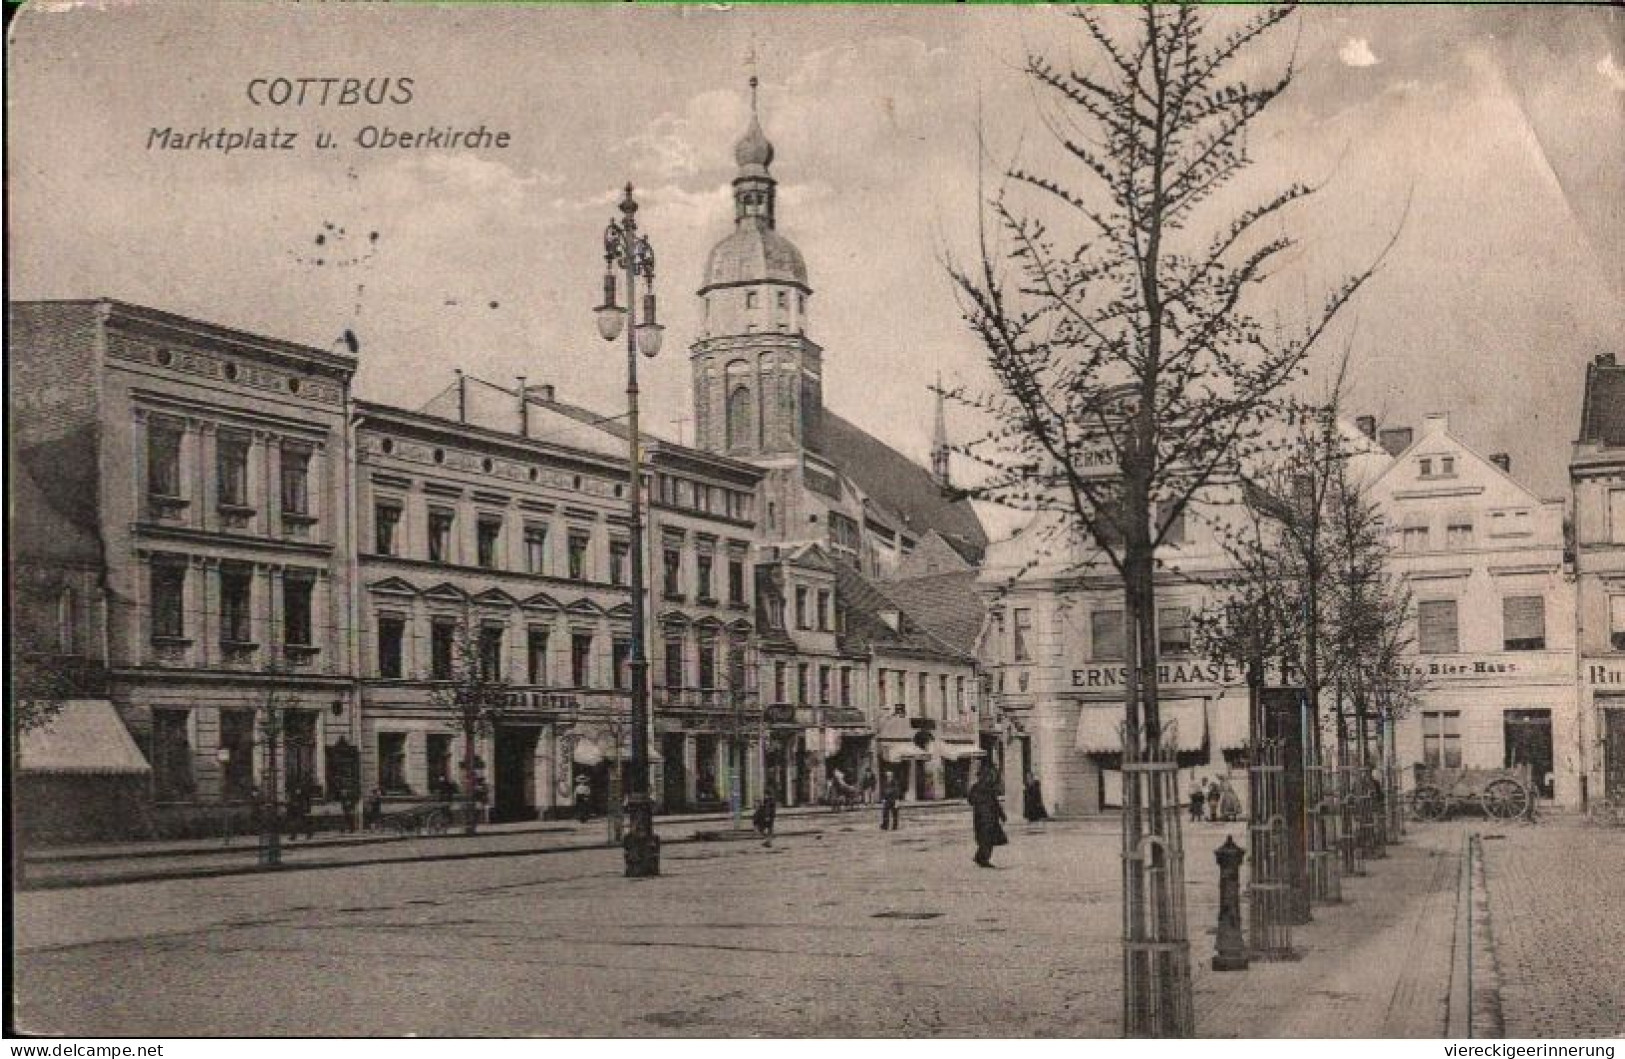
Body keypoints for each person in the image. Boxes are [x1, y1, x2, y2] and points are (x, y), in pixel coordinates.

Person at [968, 766, 1008, 868]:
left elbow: (995, 803)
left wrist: (1001, 814)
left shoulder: (982, 788)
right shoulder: (980, 788)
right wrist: (1001, 814)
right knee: (987, 840)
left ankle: (981, 858)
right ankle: (982, 859)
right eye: (986, 776)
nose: (988, 778)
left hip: (986, 818)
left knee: (987, 840)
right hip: (984, 818)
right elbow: (971, 801)